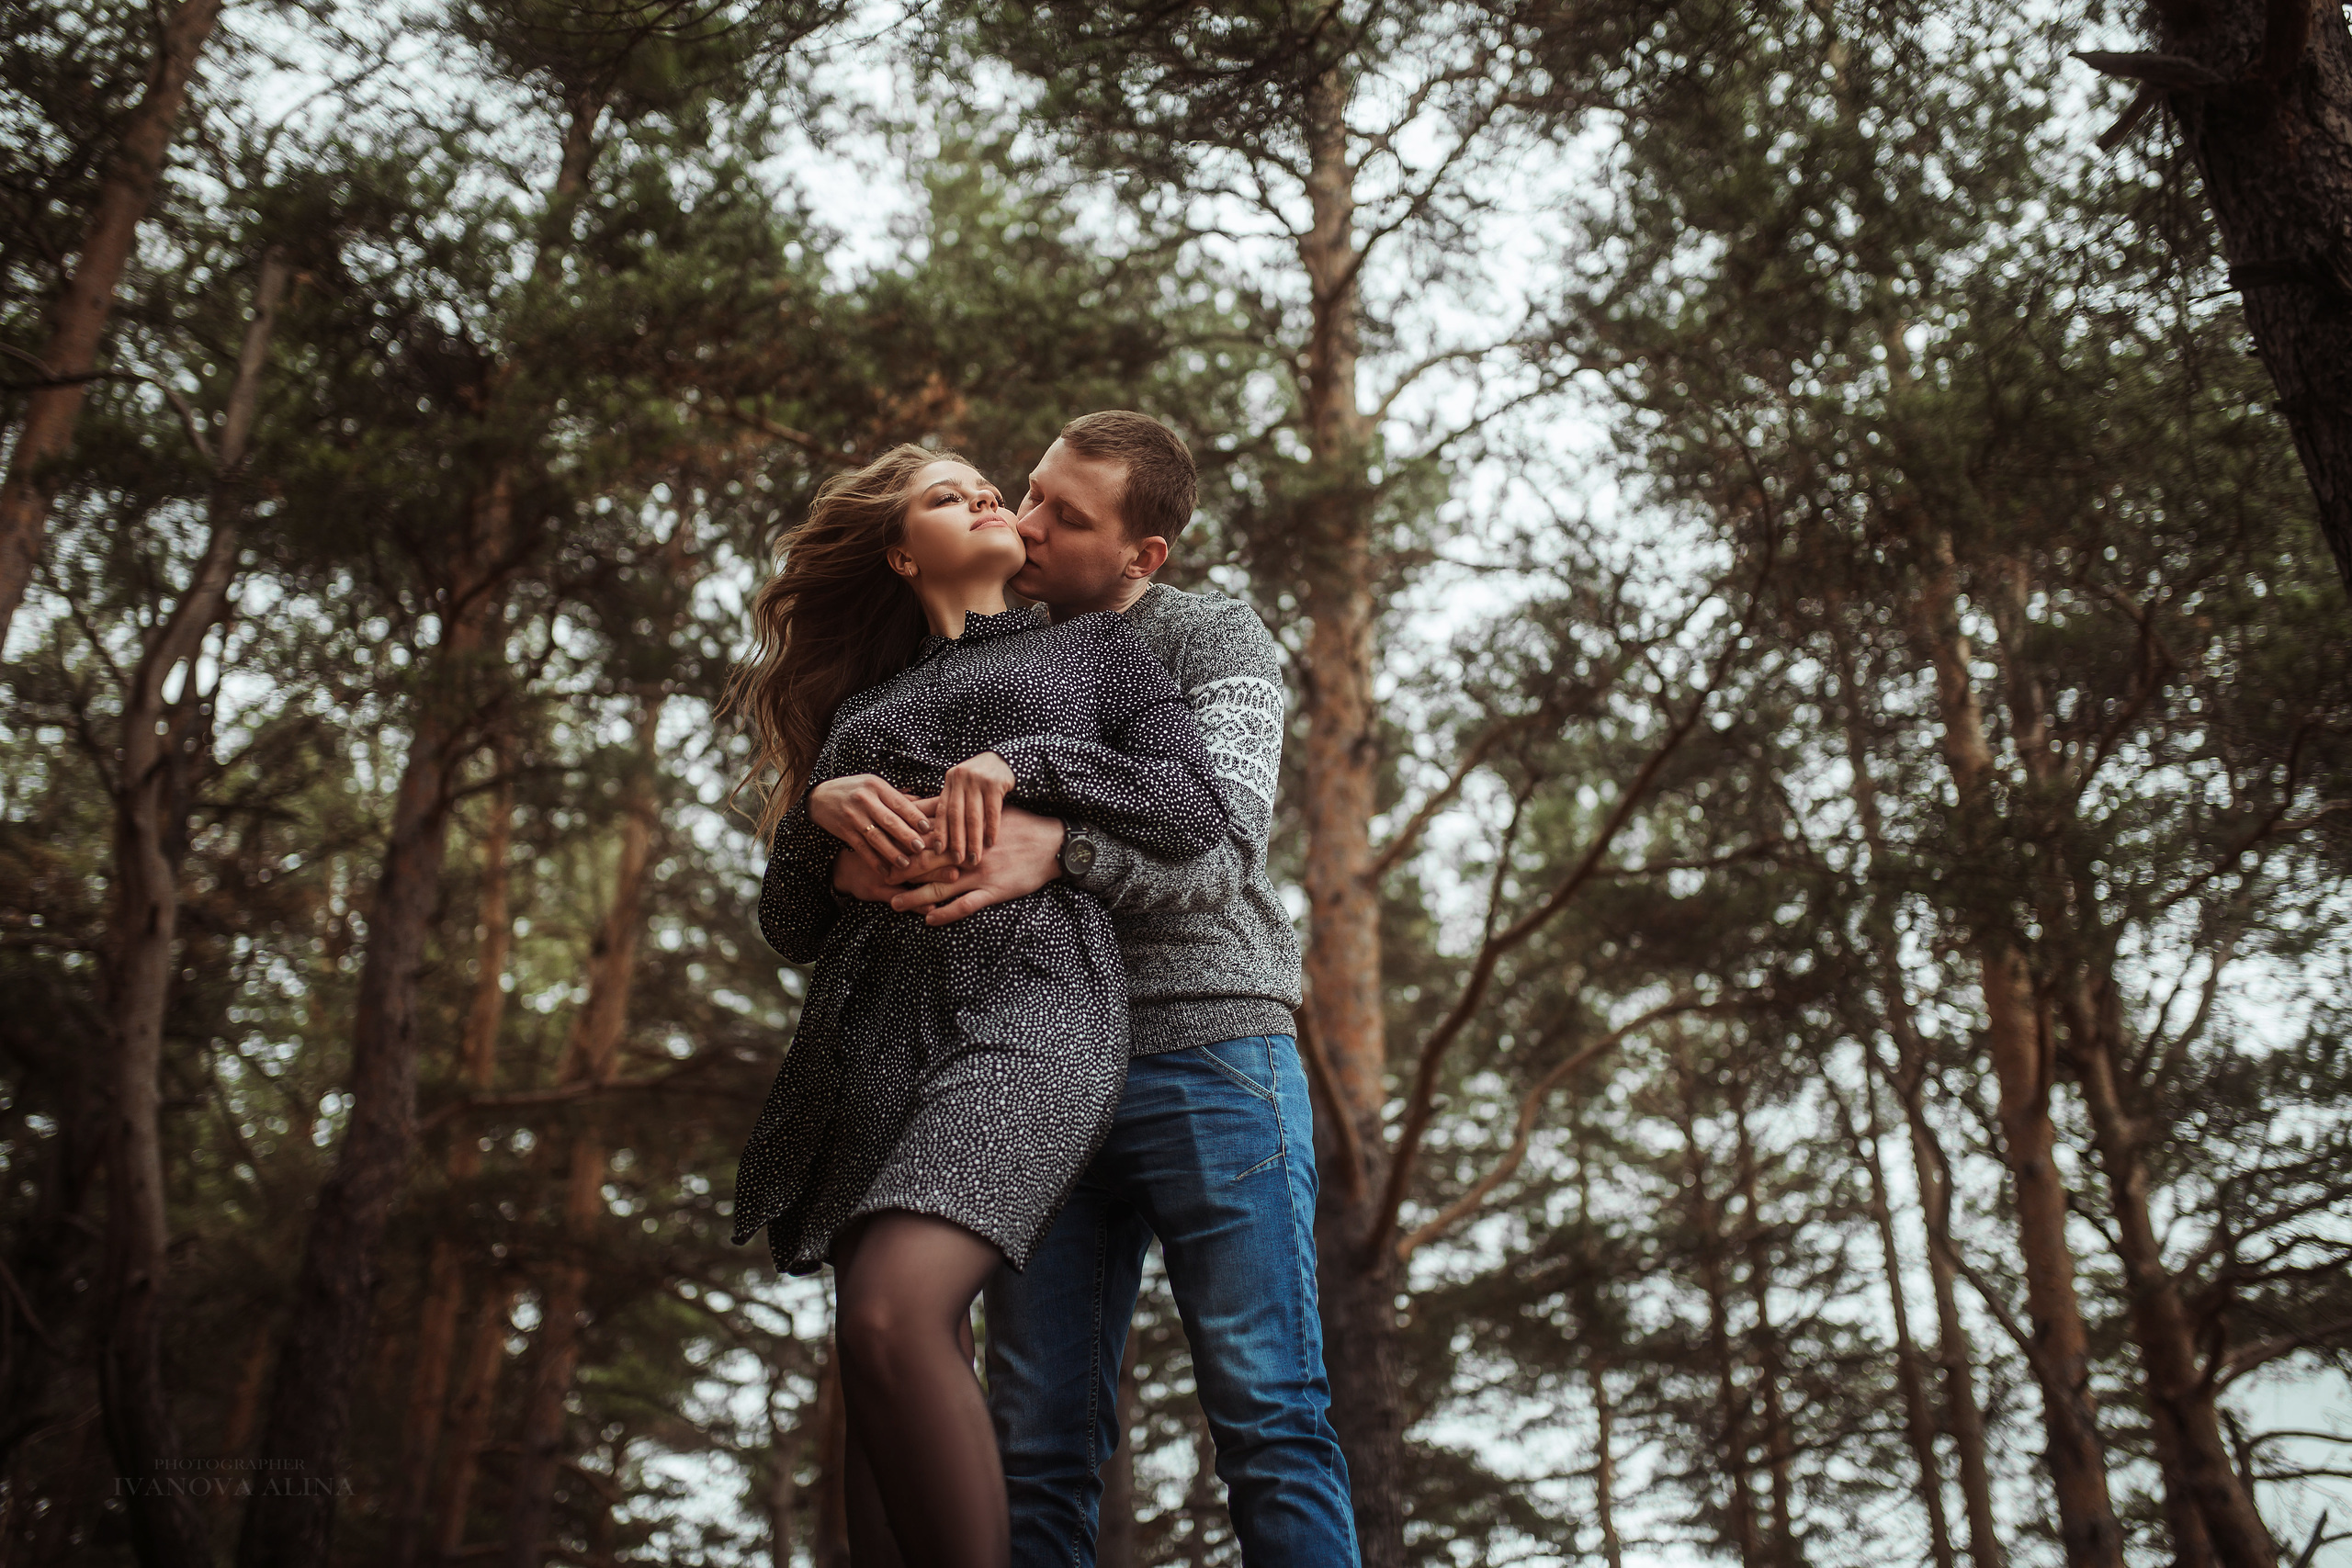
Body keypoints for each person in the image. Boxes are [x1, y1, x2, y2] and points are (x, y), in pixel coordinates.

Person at [823, 412, 1361, 1566]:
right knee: (1036, 1442)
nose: (1025, 522)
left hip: (1208, 1053)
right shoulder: (978, 657)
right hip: (1031, 1079)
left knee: (1268, 1414)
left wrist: (1060, 850)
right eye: (1029, 492)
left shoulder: (1207, 635)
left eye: (1065, 518)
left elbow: (1224, 853)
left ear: (1139, 556)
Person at [725, 442, 1230, 1568]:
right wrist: (817, 815)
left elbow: (1191, 807)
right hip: (869, 1044)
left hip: (1033, 1013)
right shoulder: (863, 713)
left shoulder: (1099, 651)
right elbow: (794, 923)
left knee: (890, 1311)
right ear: (904, 556)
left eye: (987, 488)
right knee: (878, 1384)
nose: (988, 498)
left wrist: (1024, 763)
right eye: (948, 497)